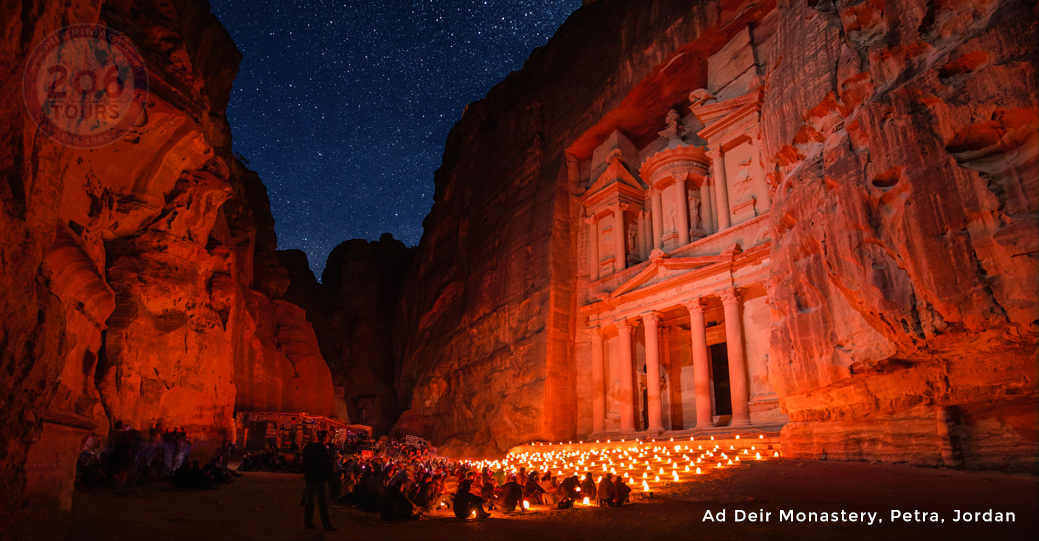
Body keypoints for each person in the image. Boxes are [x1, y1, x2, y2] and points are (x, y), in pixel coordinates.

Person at [301, 432, 337, 531]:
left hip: (310, 478)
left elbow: (304, 463)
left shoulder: (307, 449)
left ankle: (308, 524)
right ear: (324, 438)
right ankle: (326, 525)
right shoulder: (321, 450)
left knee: (310, 502)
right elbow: (326, 465)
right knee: (322, 503)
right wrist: (329, 477)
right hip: (319, 479)